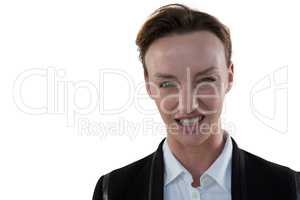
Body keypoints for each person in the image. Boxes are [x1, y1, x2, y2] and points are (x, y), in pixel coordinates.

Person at [92, 3, 300, 200]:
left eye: (206, 80)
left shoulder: (289, 189)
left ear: (229, 77)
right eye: (167, 84)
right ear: (148, 86)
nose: (188, 105)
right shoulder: (112, 192)